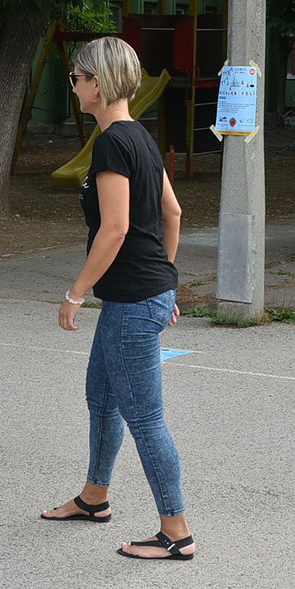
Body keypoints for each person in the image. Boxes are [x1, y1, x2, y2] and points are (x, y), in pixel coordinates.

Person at [40, 37, 194, 561]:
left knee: (146, 419)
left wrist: (75, 293)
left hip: (131, 300)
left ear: (97, 83)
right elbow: (173, 214)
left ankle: (176, 532)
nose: (73, 86)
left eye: (76, 78)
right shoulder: (141, 137)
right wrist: (164, 282)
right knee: (101, 399)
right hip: (142, 293)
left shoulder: (111, 144)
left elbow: (116, 228)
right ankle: (94, 497)